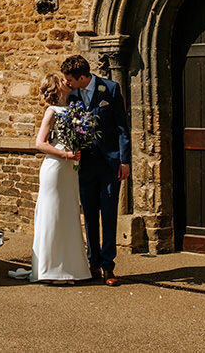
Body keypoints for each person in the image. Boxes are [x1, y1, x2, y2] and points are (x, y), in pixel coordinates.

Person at [9, 74, 92, 285]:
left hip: (70, 168)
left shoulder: (73, 110)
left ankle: (69, 269)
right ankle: (50, 269)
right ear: (58, 87)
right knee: (53, 214)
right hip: (55, 168)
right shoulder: (52, 111)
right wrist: (65, 154)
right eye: (63, 80)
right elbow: (40, 143)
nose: (67, 82)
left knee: (69, 213)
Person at [61, 54, 131, 287]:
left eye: (69, 79)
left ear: (82, 77)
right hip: (85, 165)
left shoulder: (109, 89)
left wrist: (125, 161)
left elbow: (122, 126)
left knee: (109, 214)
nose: (67, 82)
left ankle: (108, 266)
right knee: (89, 215)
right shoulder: (72, 95)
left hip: (110, 164)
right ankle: (92, 263)